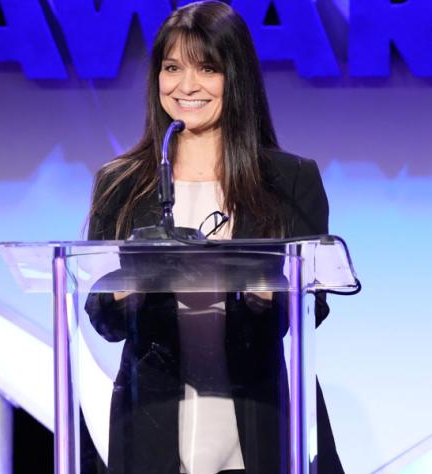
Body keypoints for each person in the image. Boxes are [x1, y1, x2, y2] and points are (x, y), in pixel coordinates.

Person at [85, 2, 344, 473]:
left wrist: (269, 295)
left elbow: (314, 305)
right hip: (152, 417)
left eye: (207, 68)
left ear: (237, 76)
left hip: (258, 413)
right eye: (172, 68)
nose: (186, 86)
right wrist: (132, 286)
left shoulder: (289, 178)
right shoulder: (121, 182)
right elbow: (104, 319)